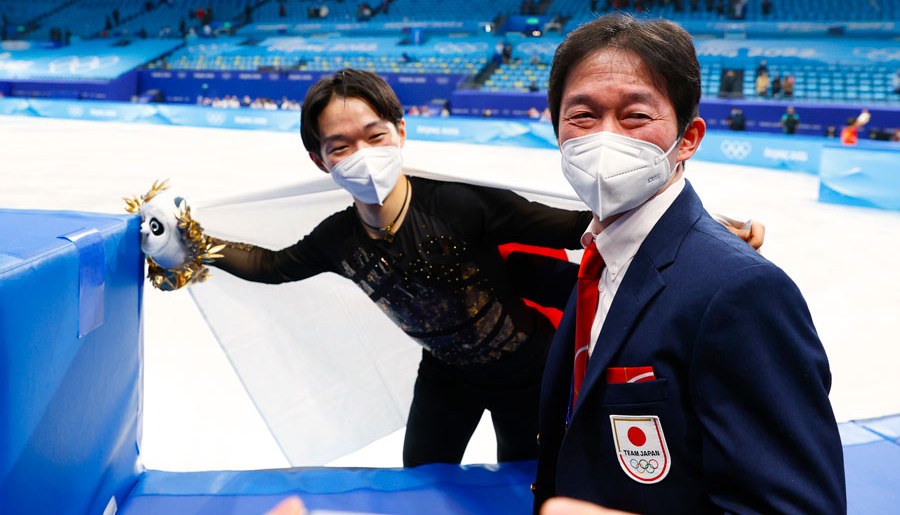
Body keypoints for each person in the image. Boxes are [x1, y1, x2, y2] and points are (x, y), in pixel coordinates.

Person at [139, 68, 763, 471]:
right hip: (446, 379)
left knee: (526, 485)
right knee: (421, 480)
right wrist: (197, 246)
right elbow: (274, 266)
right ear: (318, 158)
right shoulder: (336, 238)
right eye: (340, 145)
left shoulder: (459, 204)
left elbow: (573, 222)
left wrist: (703, 228)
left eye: (374, 135)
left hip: (531, 377)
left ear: (401, 132)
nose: (361, 154)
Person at [533, 14, 844, 514]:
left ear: (689, 138)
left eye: (635, 116)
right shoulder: (602, 259)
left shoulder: (741, 291)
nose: (607, 138)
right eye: (583, 116)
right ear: (558, 132)